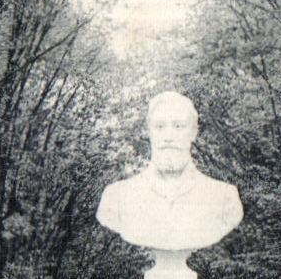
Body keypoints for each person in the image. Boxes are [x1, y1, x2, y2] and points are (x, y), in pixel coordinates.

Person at [96, 91, 243, 252]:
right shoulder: (116, 197)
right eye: (160, 126)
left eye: (178, 126)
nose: (168, 136)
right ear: (149, 132)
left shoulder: (223, 197)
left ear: (193, 132)